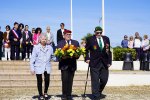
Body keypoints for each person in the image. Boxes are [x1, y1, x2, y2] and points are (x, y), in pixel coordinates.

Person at [85, 26, 112, 100]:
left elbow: (109, 51)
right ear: (95, 32)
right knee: (95, 80)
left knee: (104, 80)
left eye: (100, 32)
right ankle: (96, 96)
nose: (99, 34)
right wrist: (87, 58)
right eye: (97, 32)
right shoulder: (90, 39)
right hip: (94, 62)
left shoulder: (106, 39)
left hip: (104, 63)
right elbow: (85, 50)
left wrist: (109, 61)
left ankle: (98, 91)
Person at [30, 34, 55, 100]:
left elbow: (53, 56)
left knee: (47, 80)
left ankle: (45, 92)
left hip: (47, 66)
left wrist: (58, 57)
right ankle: (40, 94)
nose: (44, 40)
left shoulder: (50, 47)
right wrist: (32, 69)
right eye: (43, 39)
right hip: (38, 66)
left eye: (45, 39)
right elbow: (32, 59)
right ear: (40, 40)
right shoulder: (36, 47)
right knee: (39, 80)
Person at [56, 29, 80, 100]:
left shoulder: (75, 43)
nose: (68, 36)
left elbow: (78, 54)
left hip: (72, 65)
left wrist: (76, 55)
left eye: (69, 34)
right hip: (64, 65)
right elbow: (57, 54)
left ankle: (69, 95)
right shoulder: (60, 43)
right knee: (64, 80)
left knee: (70, 80)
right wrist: (62, 56)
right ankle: (64, 95)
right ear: (64, 35)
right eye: (67, 34)